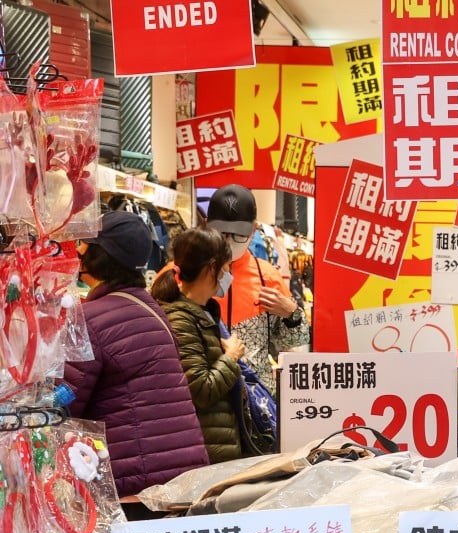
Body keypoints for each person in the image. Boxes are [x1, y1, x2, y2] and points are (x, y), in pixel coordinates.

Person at [63, 211, 209, 503]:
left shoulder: (90, 319)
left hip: (136, 481)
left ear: (100, 255)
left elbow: (65, 400)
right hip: (183, 475)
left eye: (85, 245)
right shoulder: (151, 308)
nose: (79, 250)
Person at [151, 228, 246, 463]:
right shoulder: (180, 319)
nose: (228, 275)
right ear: (211, 268)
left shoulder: (203, 312)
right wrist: (231, 357)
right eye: (225, 268)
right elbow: (201, 390)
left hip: (214, 444)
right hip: (203, 453)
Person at [205, 184, 309, 394]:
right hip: (202, 400)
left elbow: (291, 345)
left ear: (253, 229)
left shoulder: (267, 277)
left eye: (238, 235)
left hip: (255, 403)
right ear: (206, 226)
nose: (229, 241)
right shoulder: (181, 274)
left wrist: (292, 315)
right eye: (222, 233)